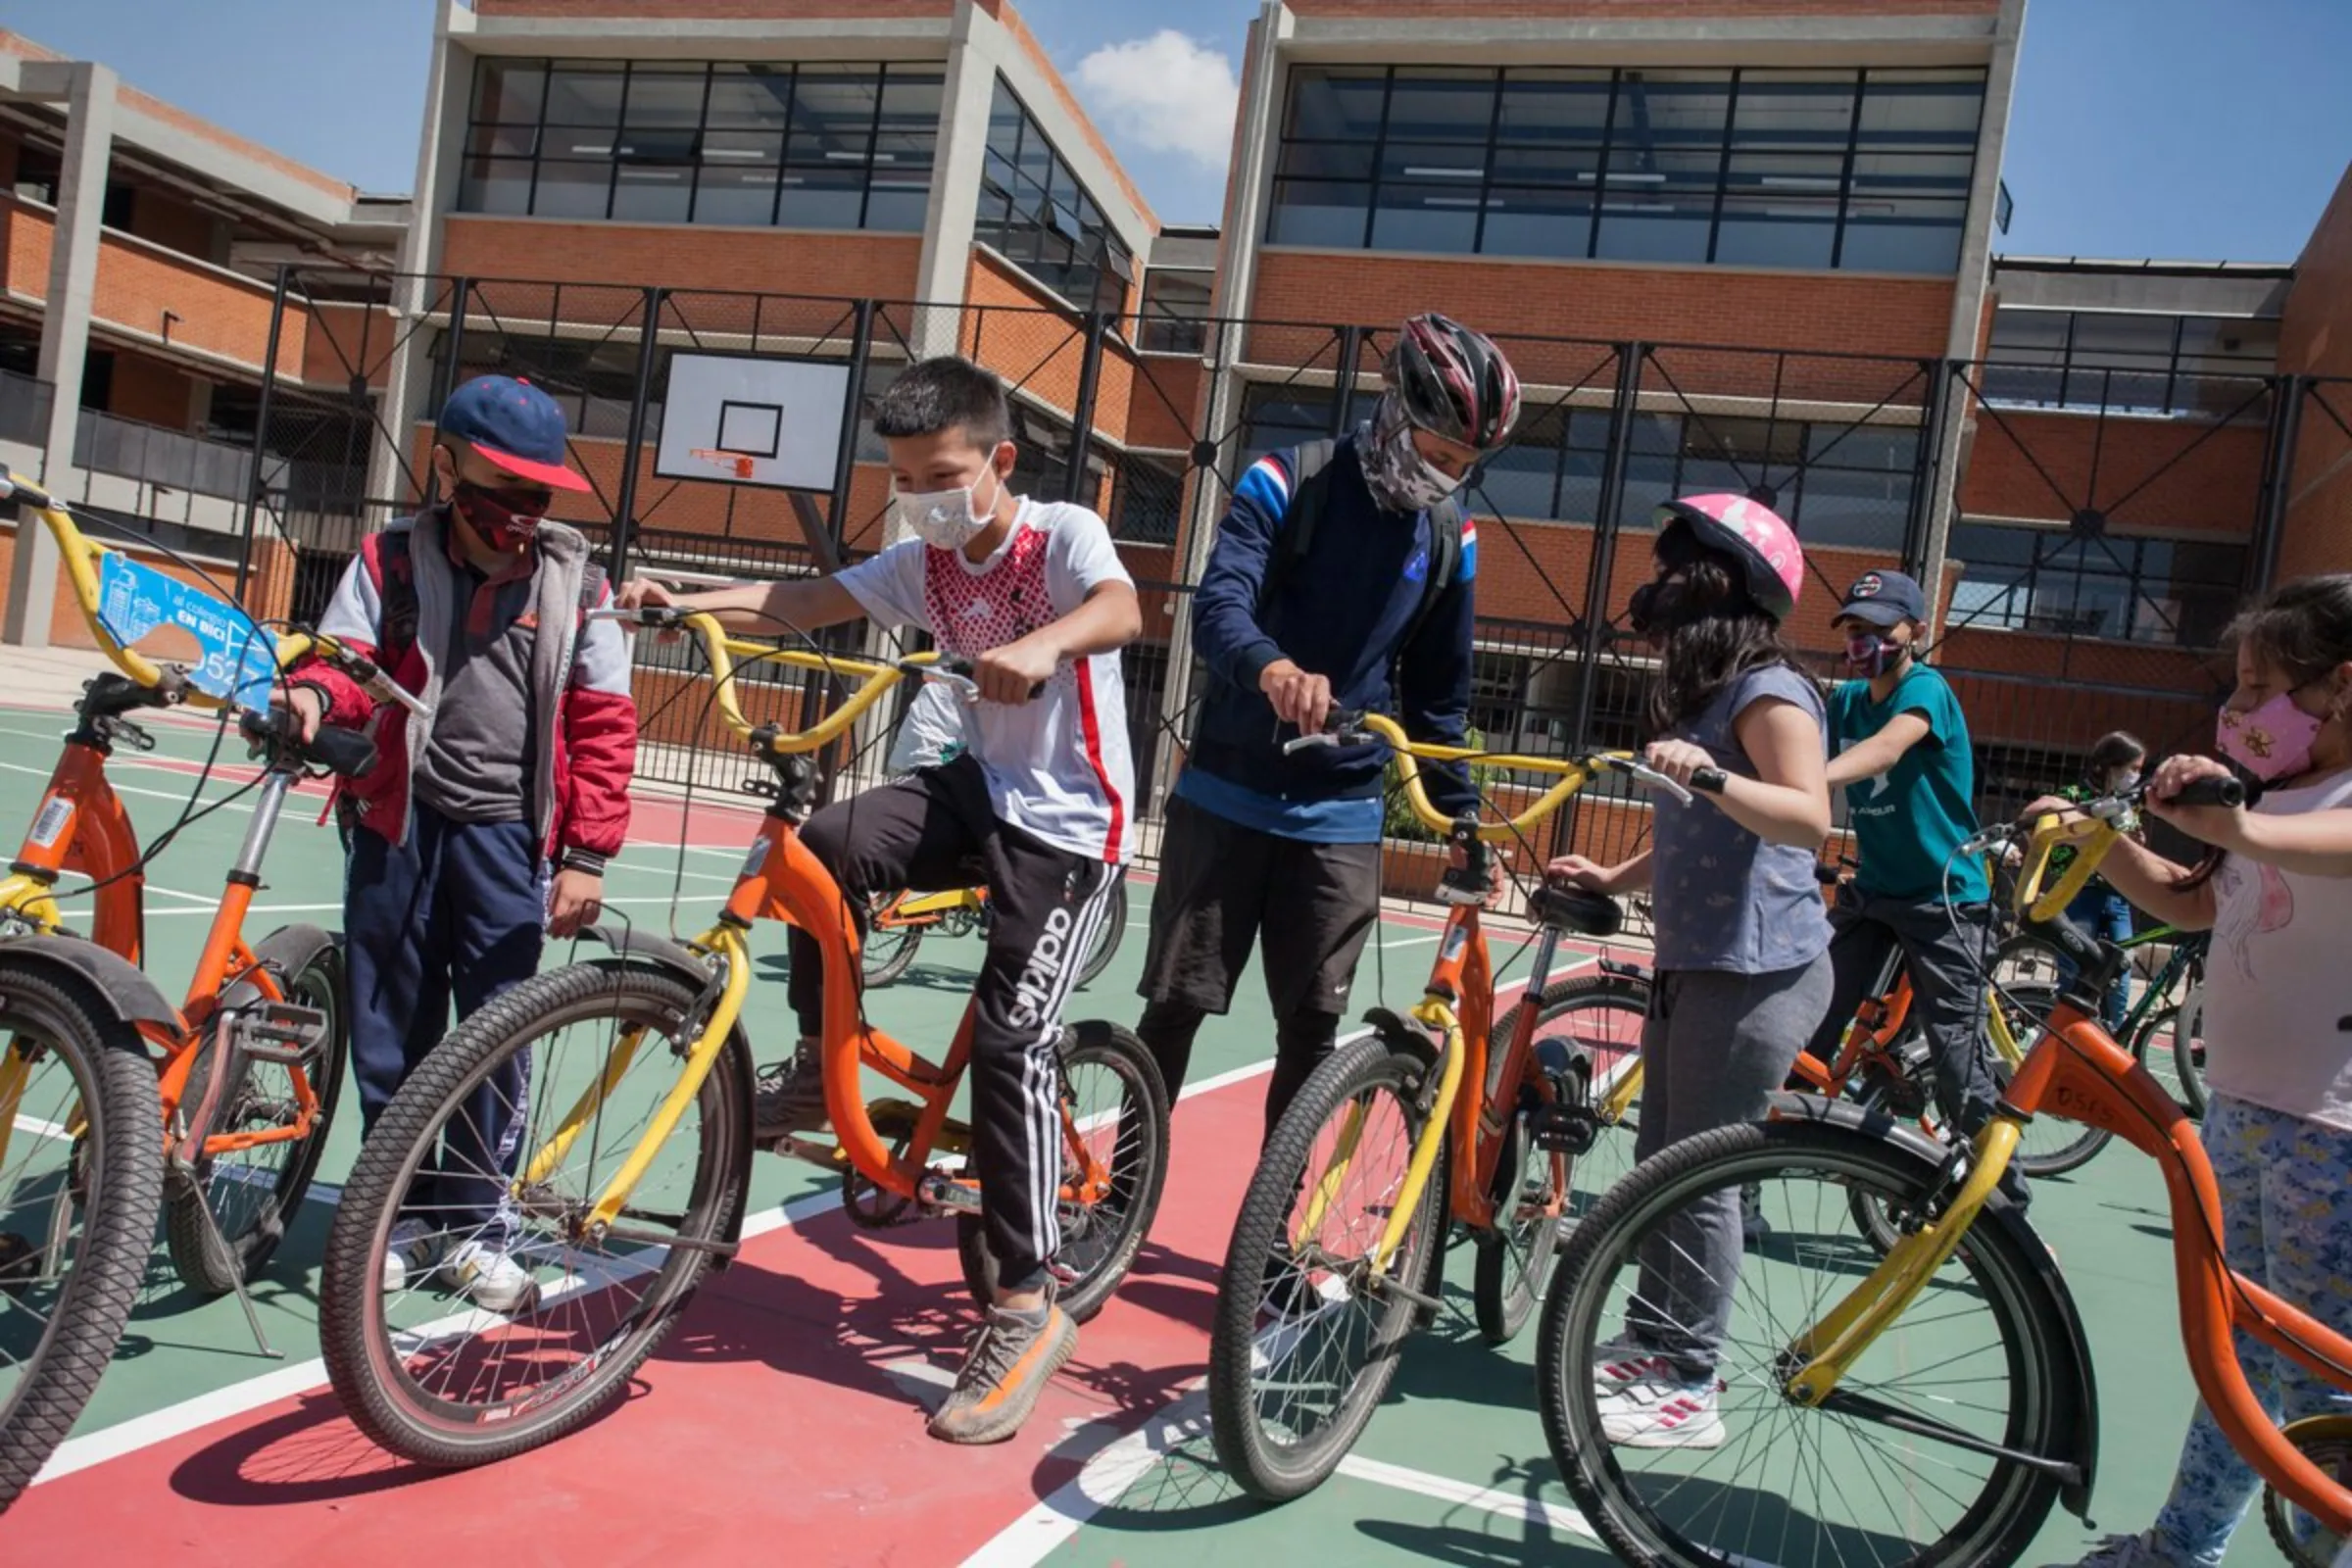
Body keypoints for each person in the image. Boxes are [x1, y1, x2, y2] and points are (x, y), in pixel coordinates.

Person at [611, 355, 1140, 1446]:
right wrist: (683, 598)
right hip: (976, 789)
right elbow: (807, 597)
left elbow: (1122, 608)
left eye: (941, 475)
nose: (924, 499)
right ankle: (817, 1063)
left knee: (1011, 1037)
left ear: (999, 462)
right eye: (905, 479)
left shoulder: (1062, 534)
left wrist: (1039, 645)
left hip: (1071, 823)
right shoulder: (923, 561)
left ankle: (1027, 1301)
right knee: (826, 848)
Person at [285, 374, 637, 1311]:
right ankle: (400, 1215)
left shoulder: (581, 585)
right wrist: (316, 698)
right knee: (392, 1030)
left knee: (496, 1036)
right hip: (398, 827)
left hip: (510, 841)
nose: (518, 511)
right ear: (446, 466)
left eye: (536, 493)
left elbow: (605, 727)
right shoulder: (389, 561)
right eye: (498, 484)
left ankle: (477, 1224)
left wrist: (587, 854)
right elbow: (344, 667)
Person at [2031, 576, 2352, 1568]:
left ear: (2340, 688)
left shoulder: (2319, 806)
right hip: (2247, 1116)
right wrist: (2101, 840)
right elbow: (2190, 901)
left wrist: (2236, 825)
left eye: (2262, 689)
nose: (2239, 710)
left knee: (2316, 1384)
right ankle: (2180, 1546)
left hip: (2330, 1135)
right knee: (2234, 1357)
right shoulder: (2269, 796)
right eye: (2239, 688)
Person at [1137, 313, 1522, 1135]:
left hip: (1340, 812)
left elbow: (1439, 698)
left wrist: (1461, 817)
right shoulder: (1287, 479)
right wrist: (1271, 667)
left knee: (1312, 1032)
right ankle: (1116, 1198)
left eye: (1466, 466)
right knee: (1177, 1005)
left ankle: (1273, 1242)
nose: (1448, 476)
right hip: (1229, 789)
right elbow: (1220, 605)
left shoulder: (1454, 536)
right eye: (1438, 453)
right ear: (1395, 412)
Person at [1546, 495, 1834, 1450]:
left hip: (1755, 972)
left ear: (1722, 585)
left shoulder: (1770, 692)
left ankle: (1687, 1380)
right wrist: (1615, 876)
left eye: (1677, 565)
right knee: (1661, 1161)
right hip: (1696, 961)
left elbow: (1804, 816)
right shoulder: (1708, 692)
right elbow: (1688, 825)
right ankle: (1654, 1332)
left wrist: (1710, 774)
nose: (1658, 579)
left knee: (1704, 1175)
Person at [1803, 569, 2010, 1156]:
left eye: (1878, 628)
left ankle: (2006, 1209)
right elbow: (1797, 736)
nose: (1862, 641)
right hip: (1874, 892)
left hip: (1945, 901)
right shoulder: (1843, 701)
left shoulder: (1925, 690)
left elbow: (1887, 748)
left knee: (1957, 1056)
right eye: (1853, 628)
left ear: (1916, 631)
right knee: (1809, 1017)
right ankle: (1751, 1172)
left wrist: (1807, 781)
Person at [2049, 730, 2150, 1033]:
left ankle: (2114, 1034)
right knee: (2074, 967)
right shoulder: (2072, 798)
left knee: (2120, 969)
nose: (2134, 777)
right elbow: (2057, 853)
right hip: (2080, 892)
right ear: (2108, 766)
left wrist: (2135, 843)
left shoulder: (2128, 805)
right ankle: (2066, 1032)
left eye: (2139, 771)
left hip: (2116, 896)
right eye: (2130, 769)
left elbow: (2133, 851)